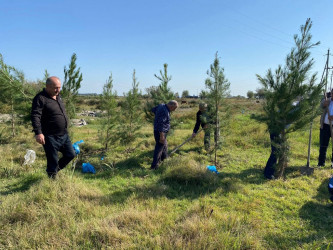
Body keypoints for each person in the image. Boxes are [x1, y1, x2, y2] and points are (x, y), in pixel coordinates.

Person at [31, 76, 76, 178]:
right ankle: (52, 183)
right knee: (53, 160)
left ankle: (54, 171)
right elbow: (35, 116)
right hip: (50, 136)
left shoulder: (58, 97)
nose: (58, 90)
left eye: (59, 87)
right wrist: (38, 133)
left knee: (70, 154)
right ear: (47, 86)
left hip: (63, 134)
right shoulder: (40, 98)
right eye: (55, 88)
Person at [150, 100, 178, 170]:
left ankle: (165, 161)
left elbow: (153, 110)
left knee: (164, 146)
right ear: (171, 106)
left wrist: (157, 116)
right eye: (174, 108)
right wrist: (162, 136)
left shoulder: (161, 105)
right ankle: (154, 166)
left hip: (158, 130)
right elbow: (161, 124)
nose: (174, 110)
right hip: (160, 132)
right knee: (159, 148)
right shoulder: (165, 111)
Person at [318, 89, 333, 167]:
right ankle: (321, 163)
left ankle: (332, 163)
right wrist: (324, 104)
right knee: (323, 145)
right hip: (325, 126)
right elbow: (320, 108)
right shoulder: (327, 100)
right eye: (332, 93)